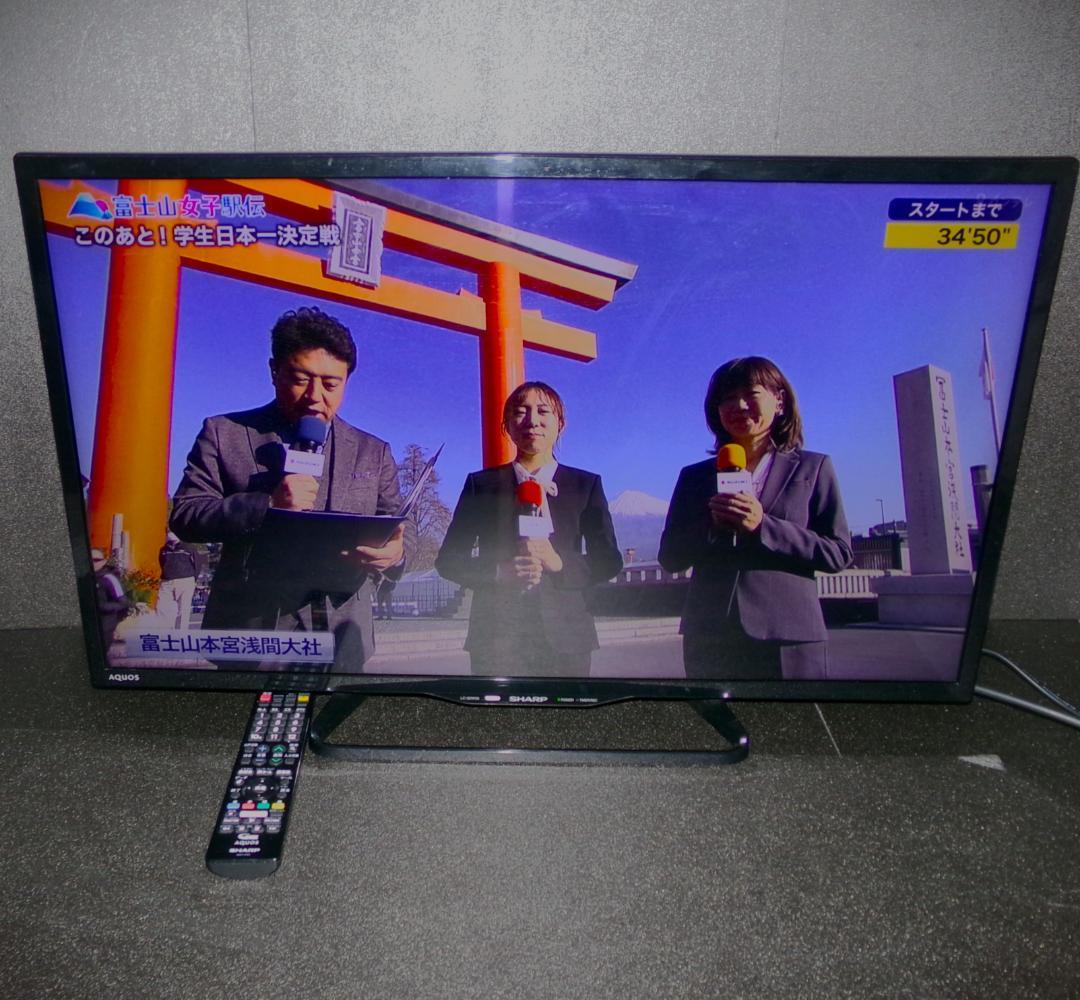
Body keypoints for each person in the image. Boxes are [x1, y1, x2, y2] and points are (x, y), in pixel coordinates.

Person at [169, 306, 411, 670]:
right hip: (250, 627)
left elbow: (398, 528)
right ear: (274, 371)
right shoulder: (224, 433)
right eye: (300, 379)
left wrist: (395, 555)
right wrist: (265, 504)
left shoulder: (373, 452)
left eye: (331, 384)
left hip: (343, 631)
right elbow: (187, 513)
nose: (315, 395)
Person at [658, 357, 853, 680]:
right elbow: (670, 557)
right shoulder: (694, 477)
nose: (739, 405)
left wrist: (764, 526)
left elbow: (839, 552)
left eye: (751, 394)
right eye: (728, 398)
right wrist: (711, 527)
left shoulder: (813, 467)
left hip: (790, 635)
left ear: (779, 401)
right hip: (711, 635)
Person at [436, 381, 622, 676]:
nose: (532, 420)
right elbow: (448, 560)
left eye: (543, 411)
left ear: (560, 424)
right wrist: (499, 572)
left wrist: (559, 562)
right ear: (507, 426)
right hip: (496, 637)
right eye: (520, 412)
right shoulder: (480, 486)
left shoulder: (585, 485)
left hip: (569, 638)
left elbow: (609, 560)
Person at [157, 532, 199, 630]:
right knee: (162, 607)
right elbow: (162, 563)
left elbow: (197, 564)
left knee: (183, 610)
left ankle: (180, 634)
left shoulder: (189, 548)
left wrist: (194, 579)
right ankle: (163, 632)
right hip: (167, 581)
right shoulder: (163, 549)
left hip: (186, 580)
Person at [91, 548, 130, 653]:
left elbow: (123, 603)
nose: (93, 563)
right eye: (90, 559)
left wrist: (102, 606)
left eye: (96, 560)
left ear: (104, 561)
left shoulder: (109, 579)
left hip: (105, 626)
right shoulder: (84, 578)